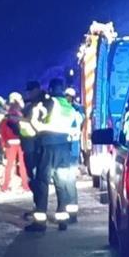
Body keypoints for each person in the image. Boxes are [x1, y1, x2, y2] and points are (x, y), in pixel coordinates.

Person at [26, 78, 83, 232]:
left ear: (51, 89)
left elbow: (34, 119)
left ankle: (40, 222)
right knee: (62, 183)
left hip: (48, 145)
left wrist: (39, 129)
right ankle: (62, 219)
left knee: (42, 183)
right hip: (64, 147)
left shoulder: (49, 103)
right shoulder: (69, 106)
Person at [1, 93, 30, 193]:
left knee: (9, 165)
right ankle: (26, 186)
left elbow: (2, 130)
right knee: (23, 164)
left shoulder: (6, 116)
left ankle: (5, 186)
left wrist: (4, 143)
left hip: (10, 142)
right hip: (21, 142)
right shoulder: (21, 115)